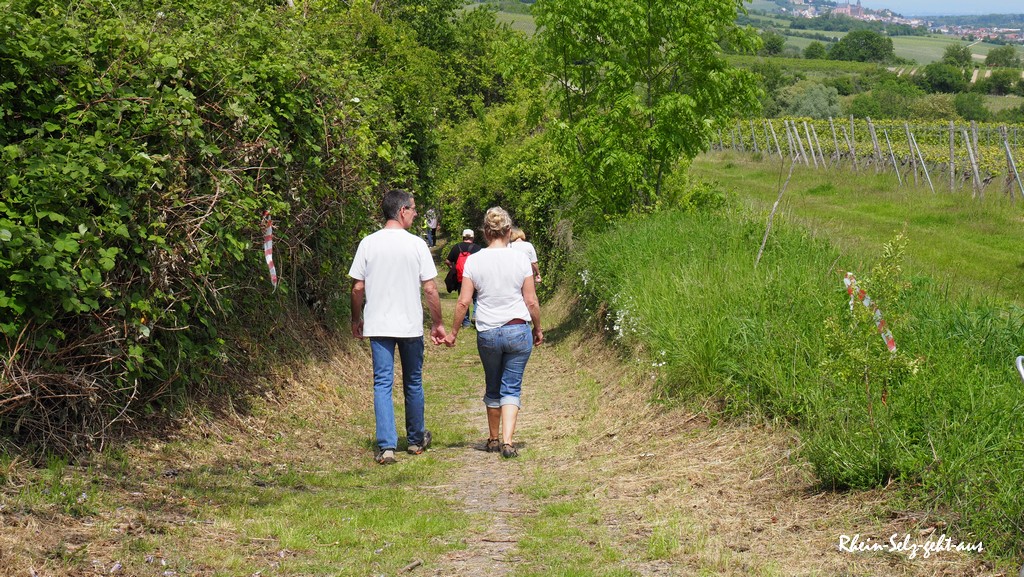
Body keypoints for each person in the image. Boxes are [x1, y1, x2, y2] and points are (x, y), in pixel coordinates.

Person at [349, 189, 446, 465]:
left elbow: (357, 287)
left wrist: (356, 320)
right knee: (413, 381)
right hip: (410, 325)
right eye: (413, 209)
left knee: (383, 383)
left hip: (379, 325)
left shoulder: (368, 243)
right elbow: (430, 288)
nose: (416, 214)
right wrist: (437, 323)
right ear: (402, 210)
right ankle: (415, 440)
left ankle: (387, 446)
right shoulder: (416, 245)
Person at [444, 207, 543, 459]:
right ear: (508, 232)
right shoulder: (521, 259)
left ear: (485, 233)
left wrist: (454, 332)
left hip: (488, 331)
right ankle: (509, 443)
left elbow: (463, 302)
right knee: (512, 386)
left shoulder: (475, 260)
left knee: (493, 384)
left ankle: (493, 439)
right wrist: (538, 328)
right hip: (517, 329)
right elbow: (531, 301)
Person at [445, 229, 481, 328]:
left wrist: (453, 268)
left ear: (463, 237)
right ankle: (475, 315)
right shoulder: (478, 248)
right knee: (476, 298)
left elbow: (447, 261)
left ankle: (465, 323)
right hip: (476, 277)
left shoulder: (457, 247)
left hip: (462, 278)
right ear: (472, 237)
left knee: (464, 299)